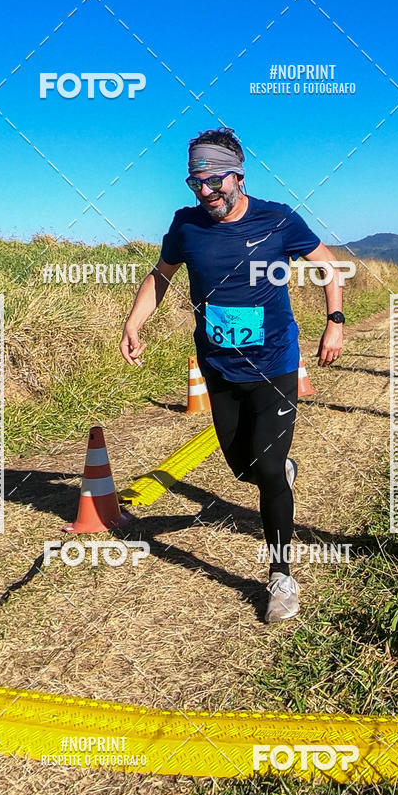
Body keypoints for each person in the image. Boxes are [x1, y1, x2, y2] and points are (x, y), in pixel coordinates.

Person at [120, 127, 345, 623]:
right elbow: (161, 275)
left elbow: (329, 266)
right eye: (195, 182)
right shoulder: (186, 226)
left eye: (214, 180)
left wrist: (334, 323)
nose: (205, 192)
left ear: (238, 175)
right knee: (242, 469)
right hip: (218, 366)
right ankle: (275, 471)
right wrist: (135, 322)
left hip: (274, 365)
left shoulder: (278, 220)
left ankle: (281, 577)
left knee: (266, 472)